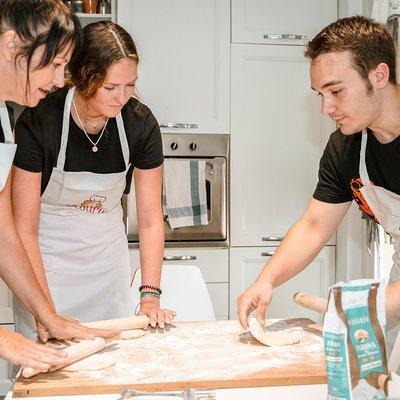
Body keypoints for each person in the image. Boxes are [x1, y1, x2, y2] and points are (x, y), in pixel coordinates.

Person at [237, 15, 400, 351]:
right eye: (320, 94)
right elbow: (314, 225)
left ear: (379, 76)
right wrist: (266, 280)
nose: (327, 108)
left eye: (336, 91)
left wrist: (373, 305)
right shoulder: (346, 147)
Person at [11, 20, 175, 339]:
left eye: (130, 85)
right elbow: (24, 229)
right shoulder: (40, 121)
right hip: (47, 268)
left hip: (106, 267)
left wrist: (150, 295)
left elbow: (151, 221)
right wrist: (46, 311)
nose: (122, 98)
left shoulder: (140, 125)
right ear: (85, 77)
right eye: (111, 88)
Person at [0, 0, 117, 371]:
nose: (59, 79)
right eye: (54, 64)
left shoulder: (4, 118)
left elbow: (3, 234)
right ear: (10, 46)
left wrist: (47, 314)